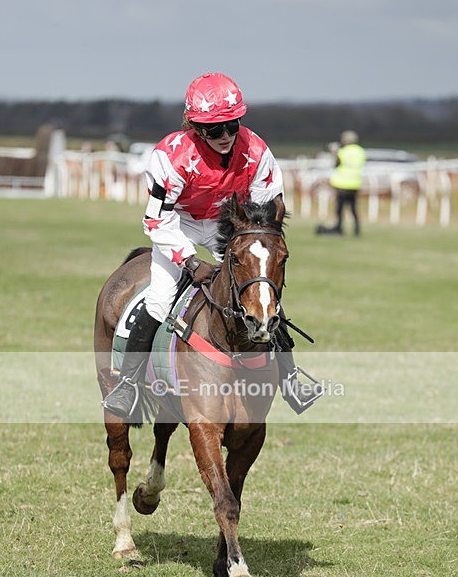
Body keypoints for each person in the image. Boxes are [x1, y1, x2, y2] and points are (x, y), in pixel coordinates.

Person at [102, 72, 322, 419]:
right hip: (179, 224)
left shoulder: (256, 150)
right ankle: (128, 384)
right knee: (160, 300)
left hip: (230, 225)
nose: (225, 136)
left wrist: (257, 246)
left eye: (232, 125)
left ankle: (291, 378)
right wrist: (190, 262)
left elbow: (267, 212)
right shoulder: (170, 156)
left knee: (261, 293)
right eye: (213, 130)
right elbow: (156, 220)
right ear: (194, 126)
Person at [318, 130, 366, 236]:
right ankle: (357, 230)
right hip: (355, 184)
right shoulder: (360, 151)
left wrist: (335, 152)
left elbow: (337, 164)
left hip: (342, 184)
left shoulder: (342, 151)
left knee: (340, 209)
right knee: (353, 209)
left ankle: (339, 228)